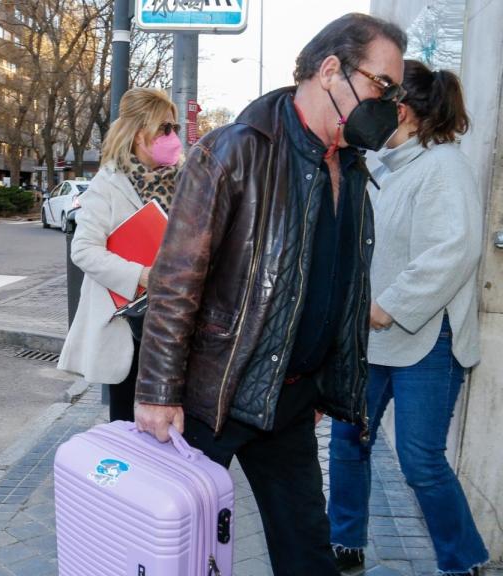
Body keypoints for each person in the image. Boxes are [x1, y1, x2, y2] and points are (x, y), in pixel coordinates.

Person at [133, 13, 407, 576]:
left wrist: (328, 382)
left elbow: (341, 285)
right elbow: (176, 281)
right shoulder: (233, 152)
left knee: (308, 551)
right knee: (176, 553)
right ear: (332, 70)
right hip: (211, 400)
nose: (390, 103)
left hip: (290, 400)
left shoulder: (352, 167)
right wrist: (158, 392)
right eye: (383, 85)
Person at [326, 60, 489, 576]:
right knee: (348, 442)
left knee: (421, 462)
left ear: (407, 113)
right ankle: (344, 541)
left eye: (382, 100)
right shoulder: (386, 167)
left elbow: (453, 251)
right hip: (371, 340)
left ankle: (463, 561)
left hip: (427, 341)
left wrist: (388, 305)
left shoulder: (444, 167)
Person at [58, 87, 183, 422]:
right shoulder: (108, 184)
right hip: (131, 324)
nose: (173, 137)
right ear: (140, 134)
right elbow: (83, 250)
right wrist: (140, 275)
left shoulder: (188, 182)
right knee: (129, 429)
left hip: (177, 325)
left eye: (175, 129)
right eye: (165, 129)